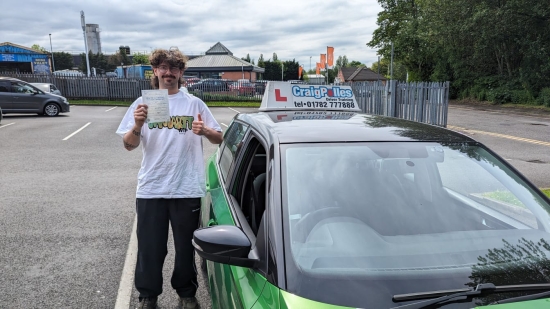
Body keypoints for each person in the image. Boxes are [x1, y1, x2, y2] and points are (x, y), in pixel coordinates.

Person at [116, 48, 223, 309]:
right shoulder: (143, 104)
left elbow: (219, 138)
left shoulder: (194, 104)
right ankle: (148, 296)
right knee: (150, 248)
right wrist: (138, 125)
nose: (168, 73)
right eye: (163, 68)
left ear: (181, 73)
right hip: (152, 188)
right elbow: (128, 145)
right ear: (155, 71)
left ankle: (186, 293)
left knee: (186, 248)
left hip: (186, 188)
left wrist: (205, 130)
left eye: (174, 68)